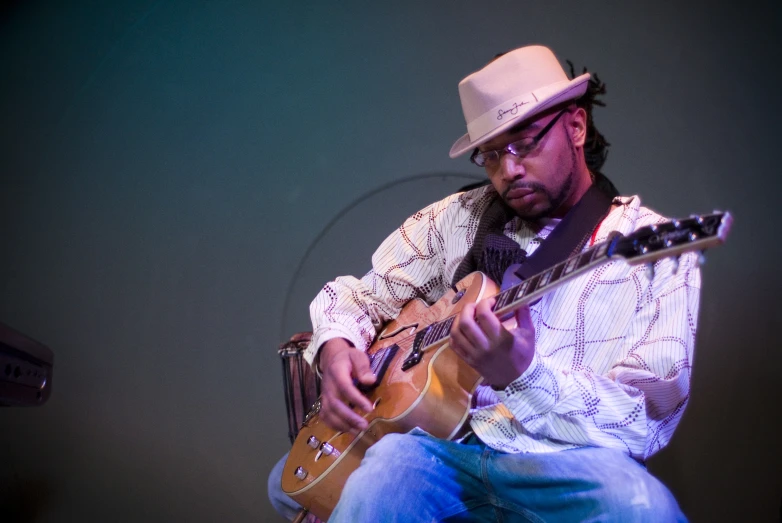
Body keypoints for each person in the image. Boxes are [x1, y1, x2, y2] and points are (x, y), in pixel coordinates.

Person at [269, 44, 698, 522]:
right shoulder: (455, 218)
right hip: (443, 453)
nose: (508, 170)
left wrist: (522, 373)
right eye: (490, 155)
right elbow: (358, 296)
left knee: (644, 507)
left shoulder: (655, 248)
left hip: (568, 464)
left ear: (576, 127)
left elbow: (642, 419)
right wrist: (336, 346)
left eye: (525, 143)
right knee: (381, 473)